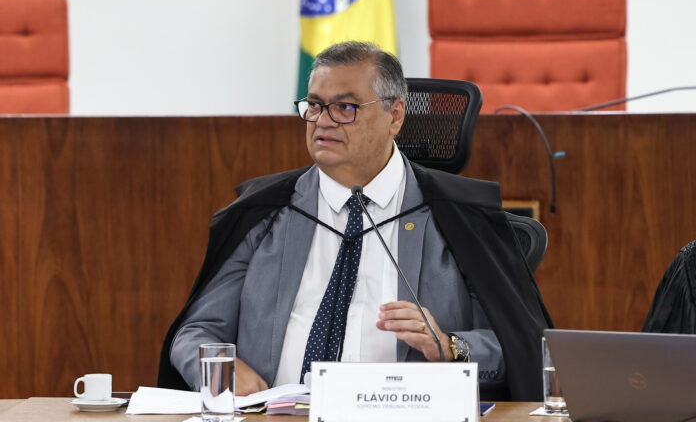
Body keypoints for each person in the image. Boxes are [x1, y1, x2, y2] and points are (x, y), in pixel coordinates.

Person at [158, 41, 552, 401]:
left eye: (345, 108)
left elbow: (524, 348)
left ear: (394, 116)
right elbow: (194, 333)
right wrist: (223, 369)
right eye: (315, 105)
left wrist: (450, 346)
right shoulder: (264, 212)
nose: (323, 121)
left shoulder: (458, 216)